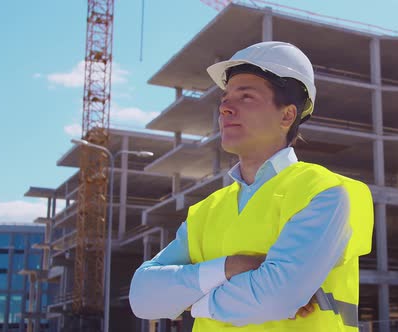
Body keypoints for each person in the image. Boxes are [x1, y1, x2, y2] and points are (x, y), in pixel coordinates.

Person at [129, 41, 374, 331]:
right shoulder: (206, 211)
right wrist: (228, 267)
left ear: (287, 115)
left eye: (245, 97)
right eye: (224, 99)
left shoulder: (325, 192)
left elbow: (275, 298)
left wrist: (191, 303)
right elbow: (143, 297)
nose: (225, 108)